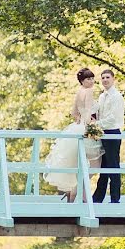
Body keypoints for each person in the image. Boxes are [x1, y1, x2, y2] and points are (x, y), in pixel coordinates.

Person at [44, 68, 104, 201]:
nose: (91, 81)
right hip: (87, 129)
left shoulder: (79, 92)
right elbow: (88, 111)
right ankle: (76, 190)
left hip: (77, 128)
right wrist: (91, 124)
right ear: (82, 81)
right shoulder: (89, 91)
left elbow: (74, 113)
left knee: (81, 164)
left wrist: (80, 121)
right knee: (96, 166)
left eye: (92, 78)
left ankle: (74, 192)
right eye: (88, 79)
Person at [92, 69, 125, 203]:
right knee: (104, 166)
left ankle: (115, 198)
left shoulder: (117, 97)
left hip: (112, 132)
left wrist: (97, 124)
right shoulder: (102, 96)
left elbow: (113, 118)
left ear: (113, 79)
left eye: (107, 77)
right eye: (103, 78)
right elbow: (99, 113)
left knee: (113, 165)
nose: (105, 80)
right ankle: (98, 197)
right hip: (102, 133)